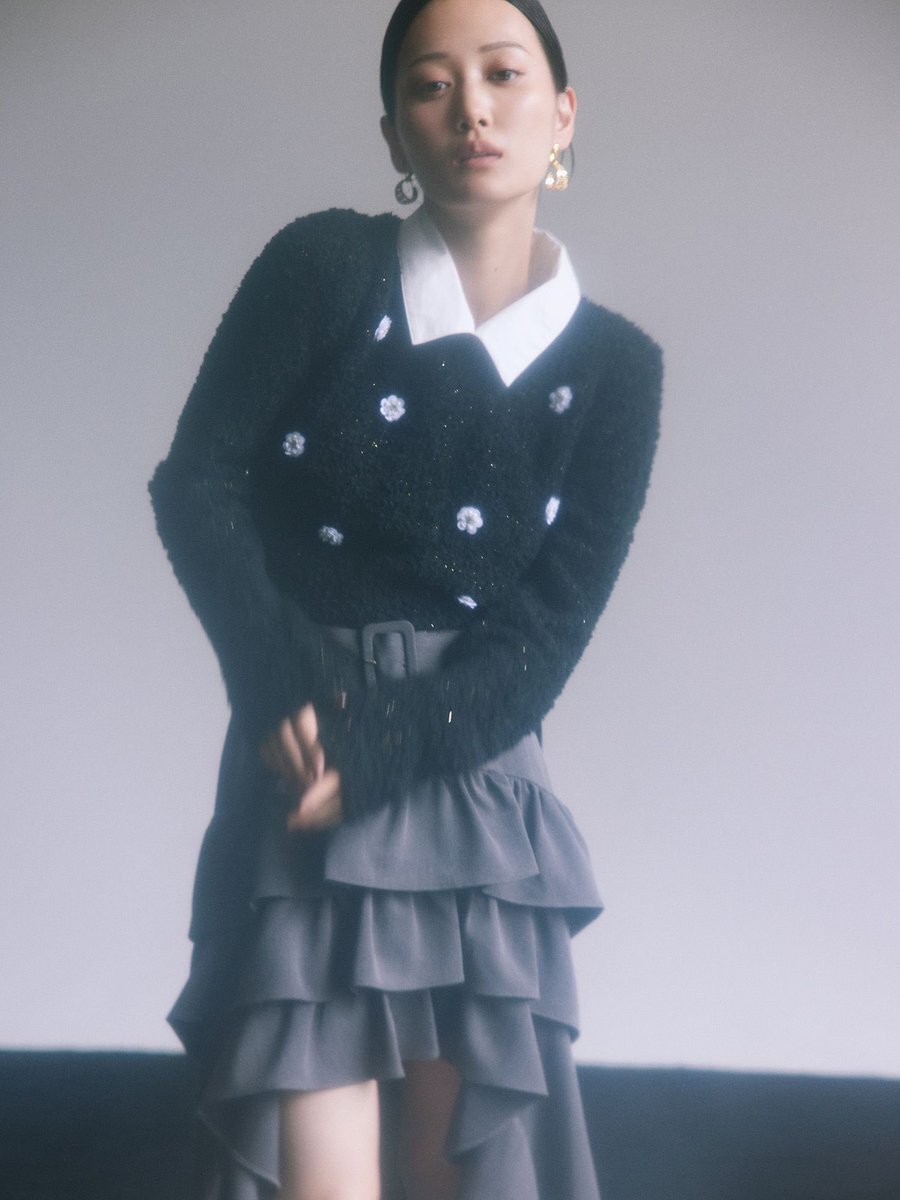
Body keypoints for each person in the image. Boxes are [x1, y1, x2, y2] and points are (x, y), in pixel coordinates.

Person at [150, 0, 663, 1196]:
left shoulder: (619, 369)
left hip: (475, 776)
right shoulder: (325, 267)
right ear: (394, 133)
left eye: (503, 74)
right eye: (431, 85)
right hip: (308, 750)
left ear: (563, 115)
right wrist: (285, 688)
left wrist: (385, 748)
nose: (472, 107)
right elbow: (197, 488)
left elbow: (550, 626)